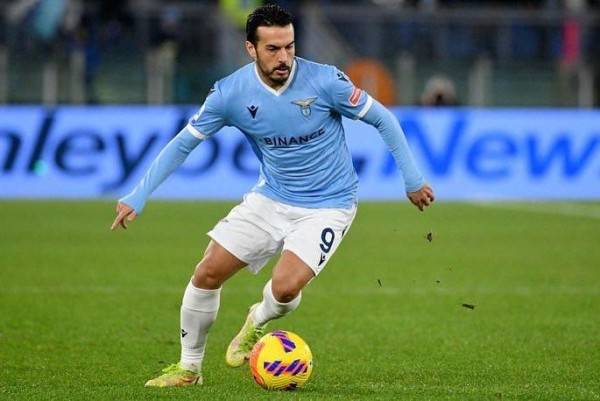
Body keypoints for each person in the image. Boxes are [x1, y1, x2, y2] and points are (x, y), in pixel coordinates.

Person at [110, 4, 434, 388]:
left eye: (289, 47)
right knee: (207, 272)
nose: (284, 58)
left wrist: (412, 179)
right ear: (251, 48)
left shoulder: (325, 81)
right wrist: (139, 195)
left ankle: (257, 320)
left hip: (329, 205)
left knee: (284, 288)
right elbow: (184, 144)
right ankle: (189, 369)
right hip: (271, 198)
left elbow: (383, 118)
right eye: (273, 49)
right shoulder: (230, 94)